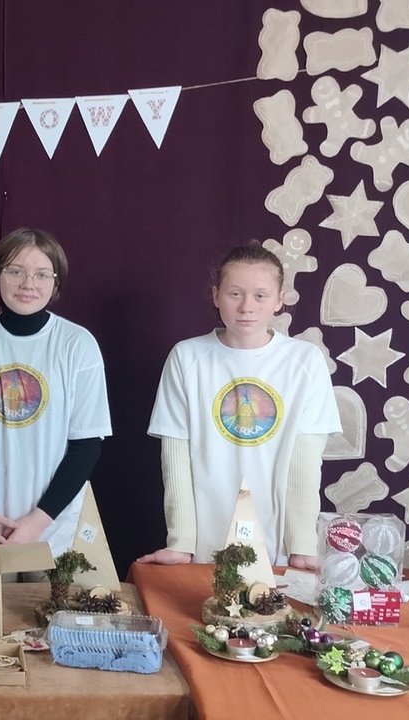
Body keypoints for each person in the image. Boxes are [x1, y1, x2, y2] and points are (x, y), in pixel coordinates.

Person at [137, 243, 340, 570]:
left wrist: (301, 545)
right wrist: (181, 542)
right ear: (216, 296)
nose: (247, 307)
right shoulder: (187, 357)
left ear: (279, 300)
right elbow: (175, 457)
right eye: (235, 294)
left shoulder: (305, 361)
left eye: (260, 296)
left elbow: (305, 460)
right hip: (206, 545)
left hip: (278, 550)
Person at [0, 228, 111, 559]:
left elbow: (86, 446)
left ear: (56, 282)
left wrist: (37, 522)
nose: (28, 283)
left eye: (42, 274)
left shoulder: (78, 345)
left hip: (53, 529)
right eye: (15, 271)